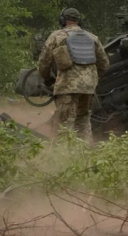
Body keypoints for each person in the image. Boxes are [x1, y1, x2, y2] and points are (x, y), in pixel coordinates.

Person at [37, 8, 110, 141]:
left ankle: (64, 158)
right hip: (88, 89)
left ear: (63, 20)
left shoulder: (56, 36)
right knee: (83, 123)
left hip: (67, 87)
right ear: (79, 21)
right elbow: (104, 64)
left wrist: (47, 78)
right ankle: (85, 156)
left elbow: (44, 63)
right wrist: (91, 78)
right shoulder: (92, 37)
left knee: (64, 124)